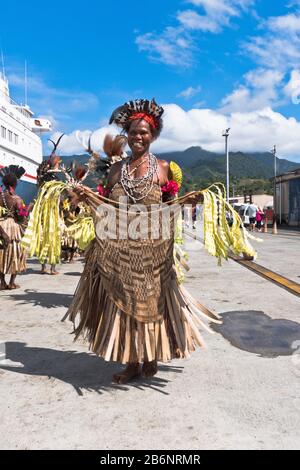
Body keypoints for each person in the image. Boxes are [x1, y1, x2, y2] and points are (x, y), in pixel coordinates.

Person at [0, 168, 27, 290]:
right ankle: (11, 283)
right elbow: (21, 216)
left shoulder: (0, 197)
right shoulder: (17, 199)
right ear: (14, 184)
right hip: (13, 228)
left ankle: (2, 282)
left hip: (1, 226)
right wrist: (29, 208)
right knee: (15, 253)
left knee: (2, 255)